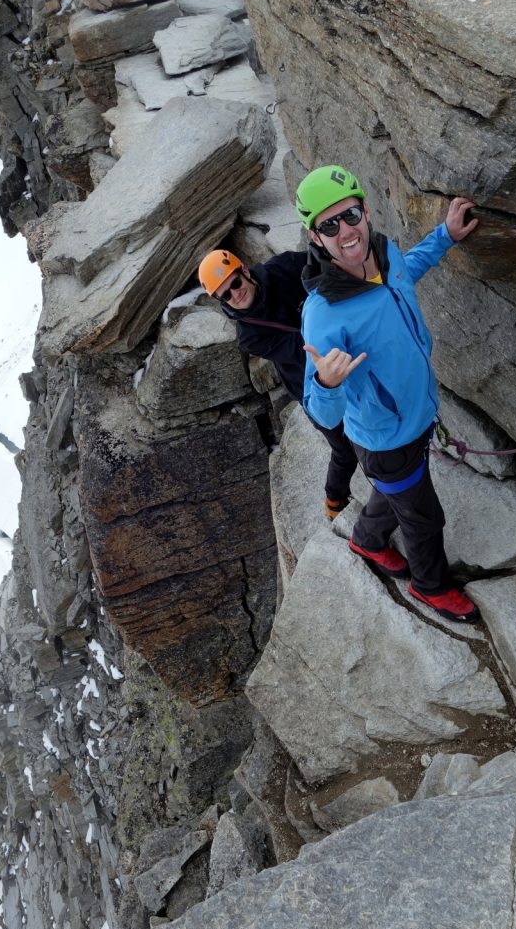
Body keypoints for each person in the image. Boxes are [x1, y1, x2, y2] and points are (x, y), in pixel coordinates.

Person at [296, 164, 480, 622]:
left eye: (351, 215)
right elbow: (321, 410)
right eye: (329, 225)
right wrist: (327, 382)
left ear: (366, 211)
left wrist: (445, 236)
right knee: (424, 518)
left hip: (414, 418)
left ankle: (367, 540)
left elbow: (407, 271)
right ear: (316, 238)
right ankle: (430, 586)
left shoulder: (385, 253)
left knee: (398, 495)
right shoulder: (323, 312)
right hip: (385, 439)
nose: (346, 231)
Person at [198, 248, 358, 519]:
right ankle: (334, 499)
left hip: (344, 349)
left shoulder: (284, 267)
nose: (235, 294)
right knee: (344, 450)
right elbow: (302, 350)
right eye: (225, 295)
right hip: (311, 385)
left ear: (244, 271)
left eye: (235, 283)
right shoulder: (249, 336)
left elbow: (324, 268)